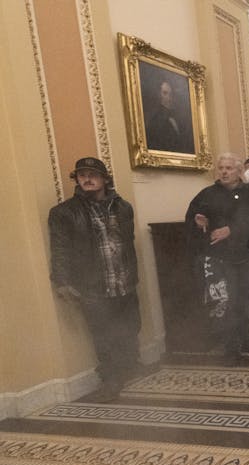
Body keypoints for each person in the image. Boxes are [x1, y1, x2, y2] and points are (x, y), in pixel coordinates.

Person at [48, 157, 141, 403]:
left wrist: (134, 276)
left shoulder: (123, 207)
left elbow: (128, 244)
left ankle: (129, 368)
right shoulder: (63, 213)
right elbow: (59, 249)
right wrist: (62, 281)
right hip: (93, 287)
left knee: (130, 329)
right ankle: (110, 380)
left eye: (93, 174)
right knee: (103, 336)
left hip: (124, 283)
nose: (87, 178)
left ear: (105, 179)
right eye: (82, 174)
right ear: (76, 179)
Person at [185, 153, 249, 365]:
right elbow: (194, 217)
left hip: (247, 256)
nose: (225, 172)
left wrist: (232, 230)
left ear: (239, 171)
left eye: (229, 168)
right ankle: (230, 346)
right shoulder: (207, 194)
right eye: (221, 168)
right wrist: (198, 221)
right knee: (226, 301)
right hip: (219, 259)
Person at [145, 80, 194, 153]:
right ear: (159, 95)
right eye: (165, 93)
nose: (169, 98)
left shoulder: (179, 116)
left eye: (171, 94)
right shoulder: (155, 120)